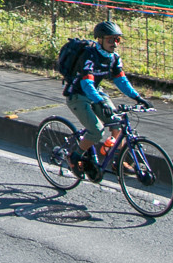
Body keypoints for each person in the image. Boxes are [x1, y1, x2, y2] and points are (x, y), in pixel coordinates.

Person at [63, 21, 150, 181]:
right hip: (77, 95)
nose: (114, 44)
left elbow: (121, 81)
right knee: (96, 131)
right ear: (100, 40)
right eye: (111, 40)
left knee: (117, 123)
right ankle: (75, 156)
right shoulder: (89, 55)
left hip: (96, 93)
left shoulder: (113, 58)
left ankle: (118, 160)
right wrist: (100, 102)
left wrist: (138, 97)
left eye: (117, 40)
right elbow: (86, 83)